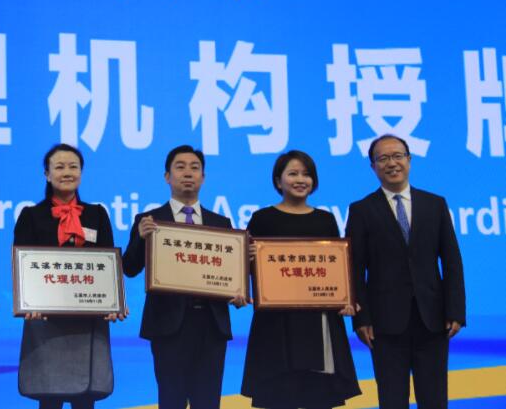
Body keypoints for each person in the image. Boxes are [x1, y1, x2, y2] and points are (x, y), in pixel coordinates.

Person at [346, 134, 466, 409]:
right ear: (373, 166)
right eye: (383, 158)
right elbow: (354, 269)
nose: (392, 163)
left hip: (433, 318)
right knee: (392, 399)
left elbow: (452, 261)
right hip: (384, 323)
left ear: (409, 160)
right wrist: (361, 318)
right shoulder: (362, 210)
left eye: (398, 156)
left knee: (434, 398)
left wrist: (456, 311)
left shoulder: (435, 204)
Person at [122, 145, 245, 409]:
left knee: (208, 402)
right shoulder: (149, 220)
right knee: (171, 401)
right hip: (168, 326)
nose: (188, 173)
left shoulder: (221, 223)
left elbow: (230, 273)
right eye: (180, 167)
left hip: (211, 325)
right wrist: (140, 238)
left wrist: (237, 293)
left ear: (203, 177)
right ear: (167, 176)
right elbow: (130, 268)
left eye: (194, 168)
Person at [241, 150, 361, 409]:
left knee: (317, 394)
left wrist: (348, 298)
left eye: (306, 174)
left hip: (318, 320)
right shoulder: (262, 218)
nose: (300, 180)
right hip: (275, 321)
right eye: (292, 173)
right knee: (278, 392)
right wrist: (247, 257)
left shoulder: (325, 220)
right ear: (278, 180)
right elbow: (246, 267)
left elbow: (337, 267)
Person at [14, 143, 123, 409]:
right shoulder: (31, 216)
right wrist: (27, 303)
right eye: (59, 167)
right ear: (47, 174)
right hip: (45, 320)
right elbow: (22, 267)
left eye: (73, 167)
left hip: (88, 319)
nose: (67, 172)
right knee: (49, 398)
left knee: (85, 400)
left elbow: (109, 264)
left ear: (81, 173)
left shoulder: (97, 214)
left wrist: (115, 302)